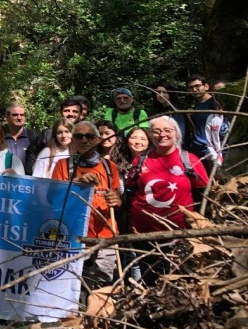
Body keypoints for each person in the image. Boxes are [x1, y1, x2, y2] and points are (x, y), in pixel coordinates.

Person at [126, 117, 208, 281]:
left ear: (176, 134)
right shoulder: (141, 160)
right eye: (156, 131)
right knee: (149, 279)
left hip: (179, 234)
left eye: (167, 130)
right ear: (151, 135)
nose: (162, 134)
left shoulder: (189, 160)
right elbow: (131, 190)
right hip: (144, 234)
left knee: (178, 278)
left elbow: (203, 193)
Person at [52, 121, 122, 286]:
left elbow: (117, 196)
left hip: (106, 234)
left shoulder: (109, 166)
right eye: (79, 136)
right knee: (72, 285)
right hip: (75, 237)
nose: (84, 140)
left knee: (102, 285)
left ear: (98, 139)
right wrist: (76, 184)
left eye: (89, 136)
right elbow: (54, 200)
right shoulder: (63, 166)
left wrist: (117, 200)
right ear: (73, 140)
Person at [25, 97, 82, 175]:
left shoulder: (83, 139)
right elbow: (32, 153)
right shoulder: (47, 135)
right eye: (67, 111)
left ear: (80, 115)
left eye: (75, 111)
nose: (70, 114)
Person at [187, 74, 223, 174]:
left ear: (206, 86)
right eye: (191, 87)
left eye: (197, 86)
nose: (194, 90)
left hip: (212, 150)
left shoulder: (215, 103)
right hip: (198, 149)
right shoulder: (197, 104)